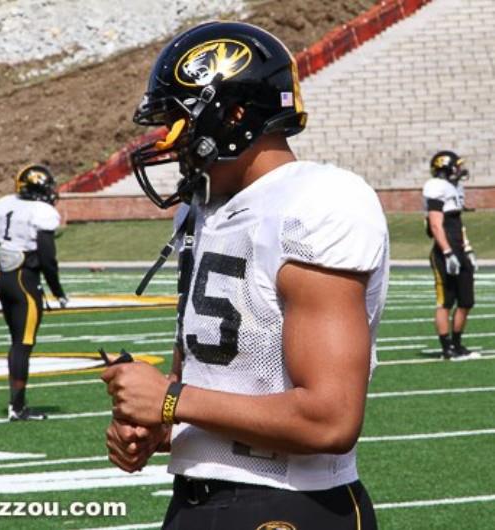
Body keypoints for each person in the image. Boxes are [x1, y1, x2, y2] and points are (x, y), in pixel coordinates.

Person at [102, 21, 389, 529]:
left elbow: (330, 418)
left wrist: (172, 400)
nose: (169, 143)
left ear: (232, 115)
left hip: (290, 504)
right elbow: (216, 377)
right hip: (196, 499)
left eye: (177, 123)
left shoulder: (316, 201)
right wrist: (162, 422)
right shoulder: (202, 210)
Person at [0, 164, 68, 421]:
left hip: (4, 279)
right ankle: (18, 407)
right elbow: (48, 258)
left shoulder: (5, 205)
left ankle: (16, 404)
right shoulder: (41, 211)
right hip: (26, 281)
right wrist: (57, 291)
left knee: (17, 344)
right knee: (23, 345)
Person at [423, 151, 478, 360]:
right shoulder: (436, 187)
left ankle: (457, 345)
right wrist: (447, 252)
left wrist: (468, 249)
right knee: (446, 302)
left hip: (459, 250)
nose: (459, 169)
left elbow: (457, 224)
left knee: (466, 301)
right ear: (444, 168)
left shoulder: (453, 188)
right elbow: (436, 225)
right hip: (444, 253)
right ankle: (446, 348)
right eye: (455, 166)